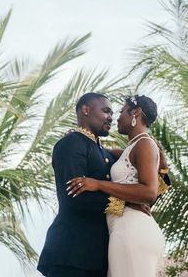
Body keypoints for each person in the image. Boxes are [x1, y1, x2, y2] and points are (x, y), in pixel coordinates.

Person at [67, 94, 166, 277]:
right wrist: (78, 135)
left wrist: (98, 184)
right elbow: (100, 152)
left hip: (132, 229)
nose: (116, 117)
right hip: (124, 228)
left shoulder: (144, 143)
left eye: (121, 112)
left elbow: (150, 192)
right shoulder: (132, 147)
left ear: (135, 113)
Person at [37, 92, 116, 277]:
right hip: (70, 253)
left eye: (112, 113)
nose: (111, 117)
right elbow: (76, 196)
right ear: (86, 110)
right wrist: (124, 205)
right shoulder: (71, 143)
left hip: (96, 256)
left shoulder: (101, 151)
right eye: (106, 111)